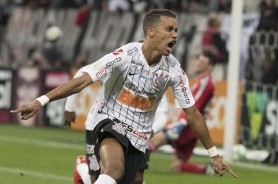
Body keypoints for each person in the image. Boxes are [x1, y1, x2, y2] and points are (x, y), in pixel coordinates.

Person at [11, 9, 238, 184]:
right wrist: (40, 101)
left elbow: (192, 113)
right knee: (113, 171)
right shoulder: (125, 56)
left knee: (132, 180)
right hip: (110, 122)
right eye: (169, 29)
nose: (175, 35)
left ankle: (84, 168)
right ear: (151, 31)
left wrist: (214, 154)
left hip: (140, 137)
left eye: (176, 30)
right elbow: (82, 79)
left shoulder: (174, 71)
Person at [65, 63, 168, 184]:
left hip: (138, 133)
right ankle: (83, 167)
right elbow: (82, 72)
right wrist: (69, 107)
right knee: (98, 177)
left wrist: (152, 130)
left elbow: (163, 114)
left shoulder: (158, 81)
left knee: (136, 180)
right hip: (101, 126)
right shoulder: (119, 64)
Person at [149, 53, 216, 175]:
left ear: (210, 67)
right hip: (191, 130)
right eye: (198, 61)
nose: (198, 64)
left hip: (186, 127)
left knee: (152, 142)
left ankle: (132, 166)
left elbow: (195, 106)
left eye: (202, 63)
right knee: (178, 166)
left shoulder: (206, 84)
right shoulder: (202, 81)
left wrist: (181, 123)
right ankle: (206, 170)